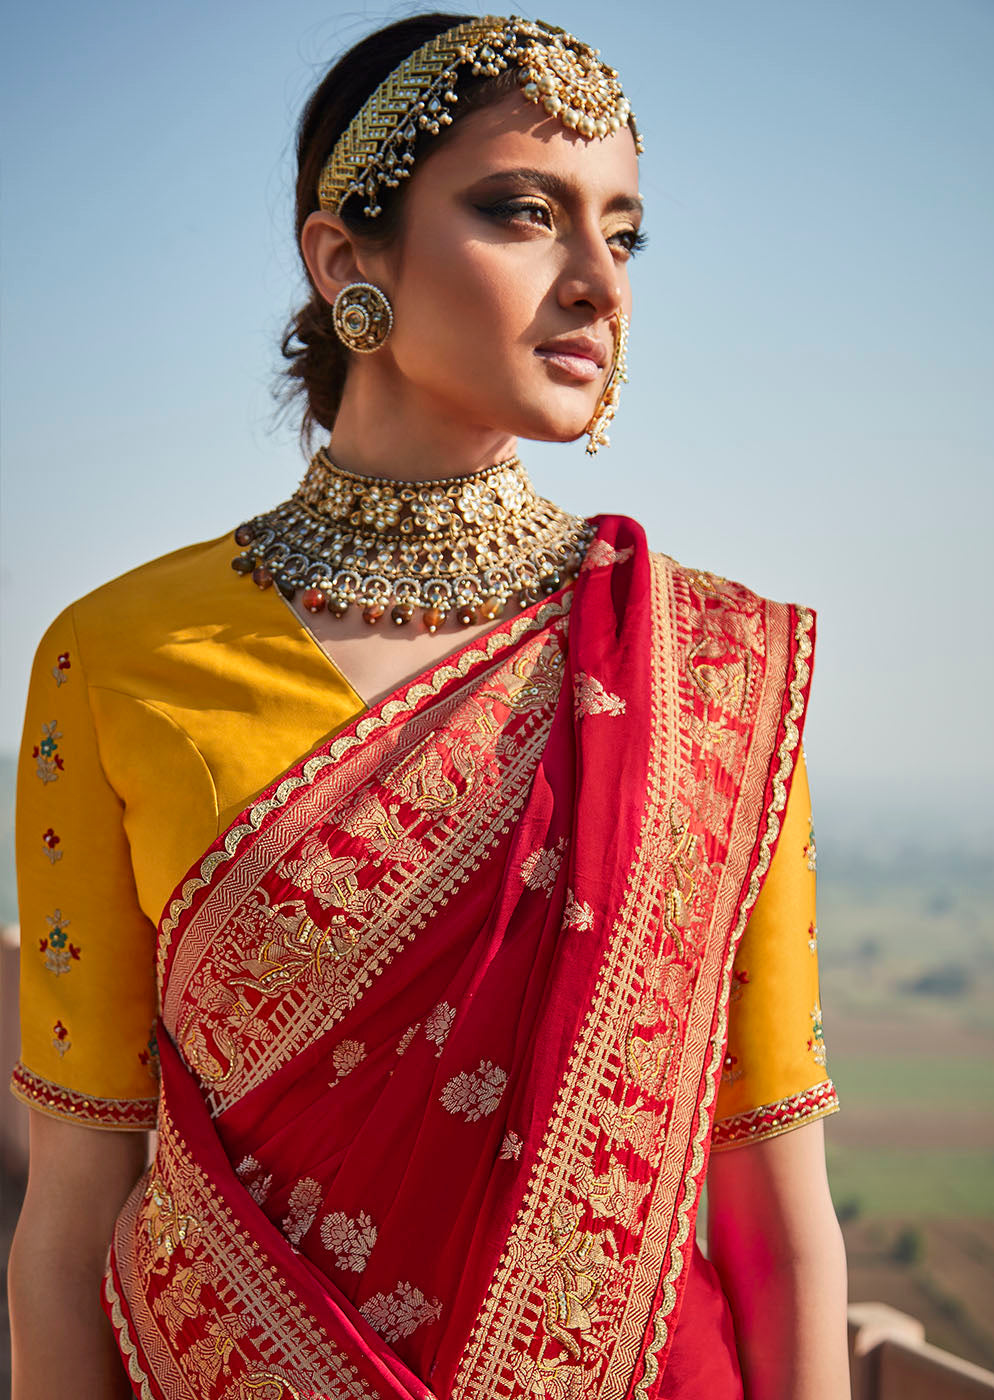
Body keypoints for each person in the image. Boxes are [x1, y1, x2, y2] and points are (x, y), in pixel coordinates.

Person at [7, 13, 850, 1399]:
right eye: (526, 213)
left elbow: (776, 1211)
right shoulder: (121, 657)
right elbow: (73, 1203)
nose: (598, 283)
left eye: (624, 232)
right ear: (348, 260)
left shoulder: (708, 669)